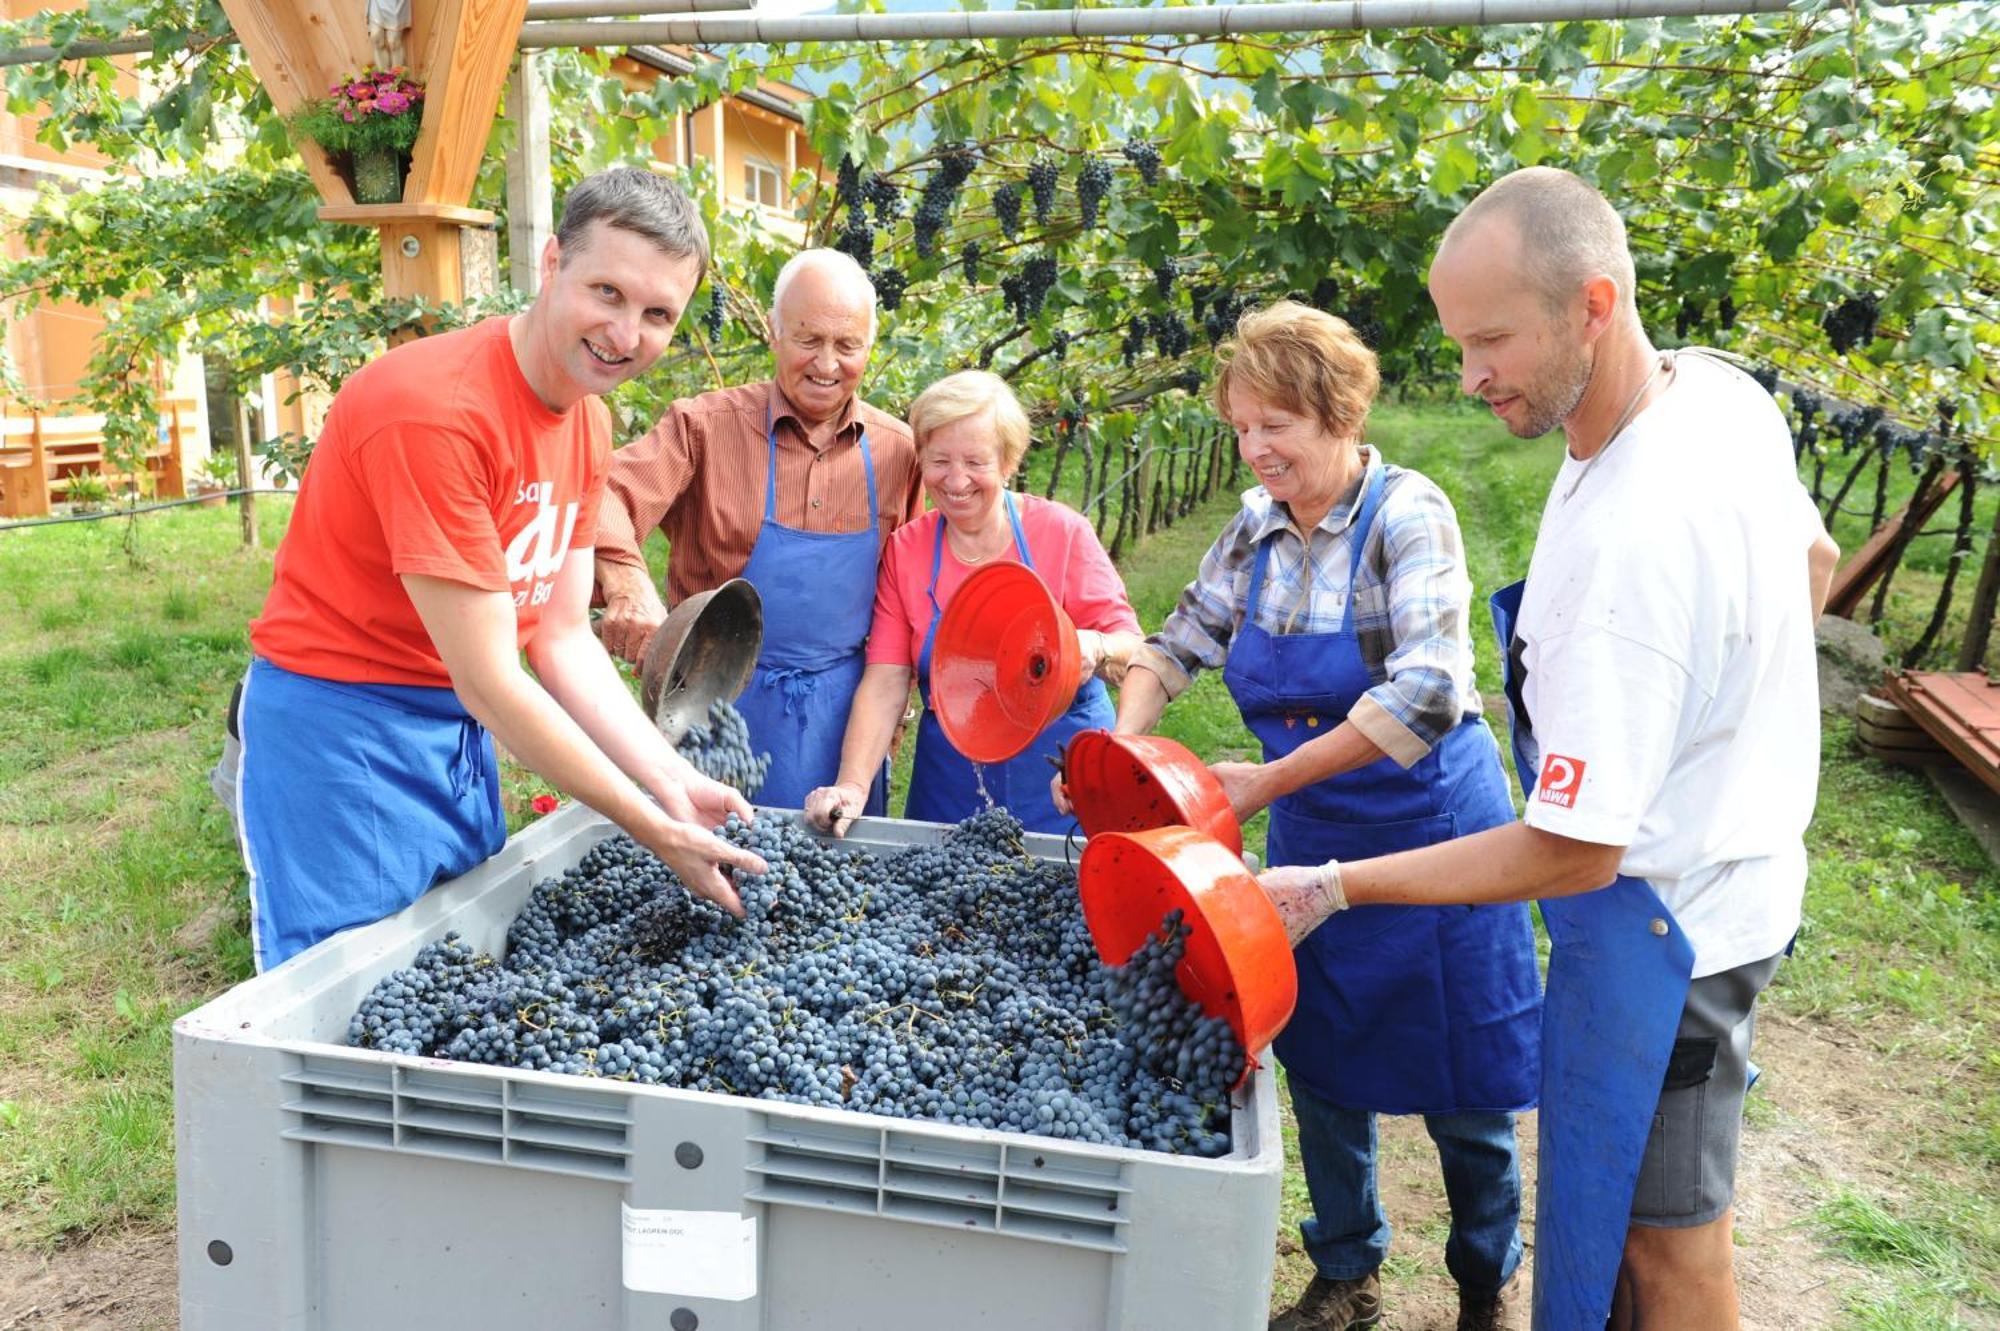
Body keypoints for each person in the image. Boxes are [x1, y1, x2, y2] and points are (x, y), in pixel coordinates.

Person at [1259, 167, 1840, 1331]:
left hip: (1669, 928)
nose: (1468, 374)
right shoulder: (1717, 393)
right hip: (1734, 878)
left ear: (1593, 302)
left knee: (1667, 1248)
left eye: (1490, 340)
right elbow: (1810, 560)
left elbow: (1575, 851)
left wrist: (1330, 884)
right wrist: (1722, 728)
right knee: (1622, 1223)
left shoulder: (1631, 544)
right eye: (1454, 339)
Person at [1077, 301, 1537, 1331]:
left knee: (1466, 1088)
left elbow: (1424, 692)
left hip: (1432, 833)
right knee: (1319, 1065)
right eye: (1241, 426)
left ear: (1336, 410)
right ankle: (1345, 1271)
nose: (1254, 447)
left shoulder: (1403, 513)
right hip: (1310, 834)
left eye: (1274, 424)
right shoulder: (1253, 526)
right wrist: (1121, 745)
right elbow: (1176, 639)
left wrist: (1266, 782)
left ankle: (1483, 1279)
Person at [223, 168, 767, 972]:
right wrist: (648, 826)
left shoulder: (587, 419)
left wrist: (668, 779)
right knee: (347, 1001)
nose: (626, 334)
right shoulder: (435, 412)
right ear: (551, 265)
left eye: (658, 314)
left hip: (453, 725)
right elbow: (491, 676)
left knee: (450, 974)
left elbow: (561, 636)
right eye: (607, 293)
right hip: (344, 734)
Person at [593, 249, 923, 812]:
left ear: (871, 345)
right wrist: (626, 583)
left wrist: (899, 698)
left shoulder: (898, 452)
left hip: (842, 720)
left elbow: (909, 591)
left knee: (834, 886)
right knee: (711, 875)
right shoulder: (703, 428)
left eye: (847, 346)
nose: (827, 363)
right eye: (807, 339)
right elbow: (601, 492)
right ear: (774, 332)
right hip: (713, 701)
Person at [802, 370, 1141, 836]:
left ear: (1009, 461)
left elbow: (1134, 652)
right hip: (951, 786)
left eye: (976, 462)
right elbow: (886, 678)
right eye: (939, 460)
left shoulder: (1061, 534)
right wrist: (853, 785)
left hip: (1064, 782)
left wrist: (1095, 649)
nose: (956, 480)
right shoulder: (907, 551)